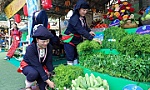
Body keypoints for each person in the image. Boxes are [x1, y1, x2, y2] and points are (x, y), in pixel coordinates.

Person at [17, 25, 55, 90]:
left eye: (47, 41)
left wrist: (53, 73)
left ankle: (37, 84)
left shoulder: (49, 47)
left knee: (43, 87)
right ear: (37, 40)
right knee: (34, 73)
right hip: (28, 65)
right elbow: (37, 65)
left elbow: (48, 62)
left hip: (40, 66)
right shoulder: (30, 48)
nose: (46, 43)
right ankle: (28, 85)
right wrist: (48, 81)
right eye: (43, 41)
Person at [62, 0, 99, 65]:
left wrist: (89, 31)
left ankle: (76, 69)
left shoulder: (82, 17)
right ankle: (71, 71)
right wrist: (91, 38)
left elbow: (85, 27)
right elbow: (80, 30)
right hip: (69, 40)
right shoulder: (74, 18)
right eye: (83, 10)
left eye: (86, 10)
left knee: (76, 56)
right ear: (79, 9)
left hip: (77, 40)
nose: (85, 12)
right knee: (70, 57)